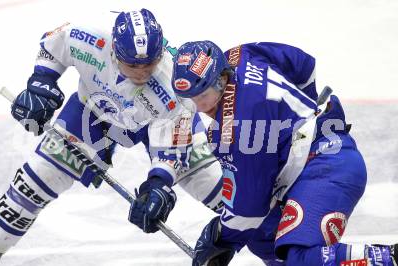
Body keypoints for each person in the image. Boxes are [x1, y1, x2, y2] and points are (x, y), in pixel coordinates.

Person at [0, 9, 224, 266]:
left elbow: (171, 151)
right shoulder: (89, 40)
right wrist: (41, 84)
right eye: (133, 64)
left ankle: (263, 237)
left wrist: (159, 184)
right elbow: (52, 46)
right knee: (34, 181)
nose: (142, 72)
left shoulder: (173, 87)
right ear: (114, 50)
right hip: (93, 112)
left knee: (221, 191)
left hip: (158, 122)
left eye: (150, 63)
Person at [171, 41, 398, 266]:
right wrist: (306, 109)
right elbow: (302, 64)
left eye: (204, 95)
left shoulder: (234, 129)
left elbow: (249, 209)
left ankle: (392, 259)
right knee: (262, 238)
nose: (200, 107)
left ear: (220, 79)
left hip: (325, 166)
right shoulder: (238, 55)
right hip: (317, 158)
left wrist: (219, 238)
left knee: (301, 259)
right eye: (192, 99)